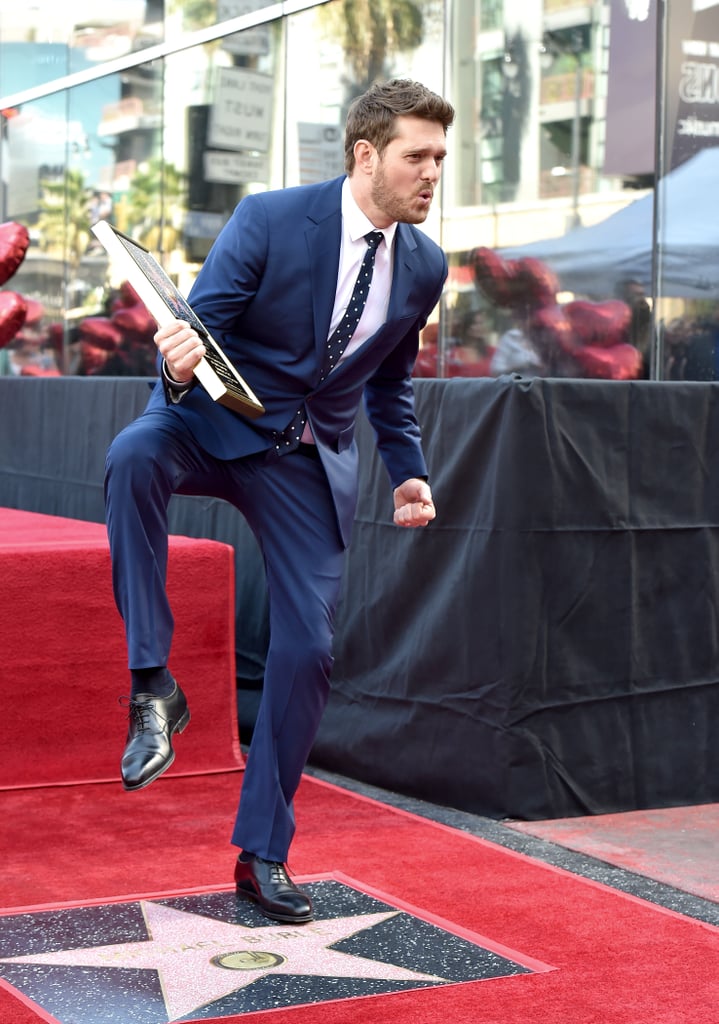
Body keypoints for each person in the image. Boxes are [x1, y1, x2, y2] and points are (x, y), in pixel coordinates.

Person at [104, 78, 455, 925]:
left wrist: (407, 468)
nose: (432, 173)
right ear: (366, 155)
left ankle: (262, 854)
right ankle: (153, 684)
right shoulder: (268, 218)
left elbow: (391, 383)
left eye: (441, 158)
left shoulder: (425, 265)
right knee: (131, 455)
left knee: (308, 648)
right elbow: (203, 322)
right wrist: (176, 362)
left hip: (305, 462)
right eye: (418, 155)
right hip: (212, 422)